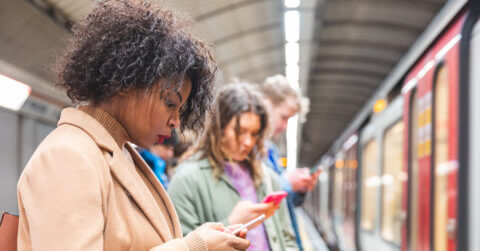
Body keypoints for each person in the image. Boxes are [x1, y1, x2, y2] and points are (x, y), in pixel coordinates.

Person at [16, 1, 249, 250]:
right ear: (127, 82)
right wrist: (194, 246)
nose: (176, 121)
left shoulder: (120, 152)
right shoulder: (67, 157)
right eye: (170, 103)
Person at [168, 84, 299, 251]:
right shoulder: (186, 180)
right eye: (240, 131)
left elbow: (287, 238)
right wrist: (230, 223)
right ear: (220, 127)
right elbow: (181, 246)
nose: (248, 142)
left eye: (254, 134)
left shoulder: (268, 178)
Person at [259, 75, 320, 250]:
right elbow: (255, 198)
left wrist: (299, 187)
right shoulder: (247, 150)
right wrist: (287, 183)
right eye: (284, 117)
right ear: (267, 103)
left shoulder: (271, 151)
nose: (285, 126)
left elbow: (284, 205)